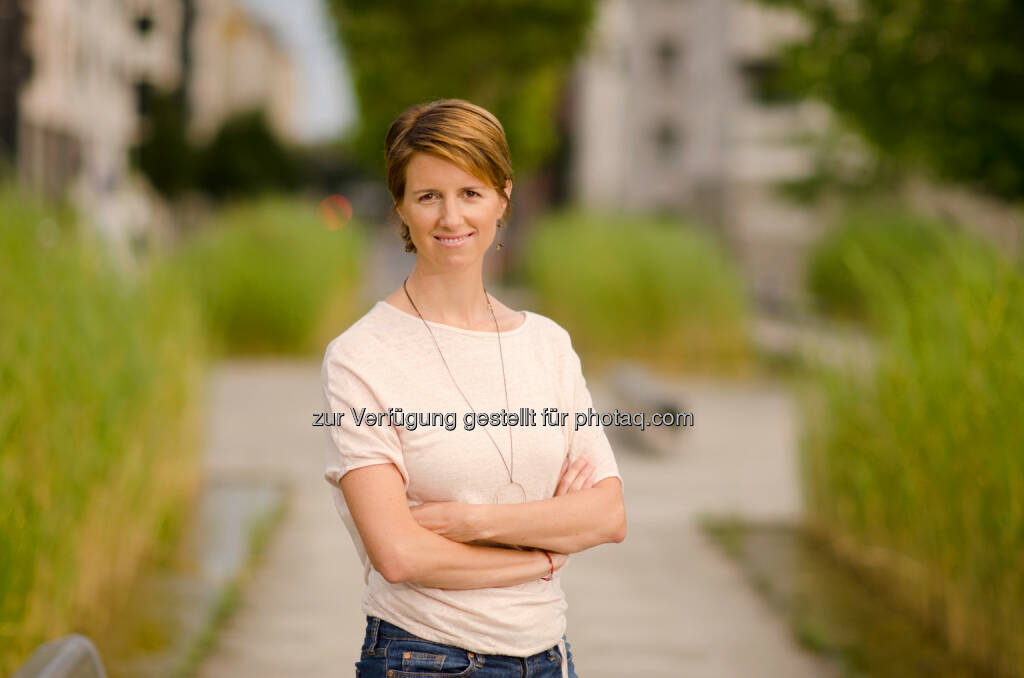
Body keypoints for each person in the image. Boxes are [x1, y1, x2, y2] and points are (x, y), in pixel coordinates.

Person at [321, 99, 626, 678]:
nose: (451, 218)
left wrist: (471, 523)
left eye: (471, 192)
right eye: (428, 196)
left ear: (503, 197)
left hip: (550, 656)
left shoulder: (548, 345)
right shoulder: (361, 356)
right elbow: (399, 553)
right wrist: (544, 552)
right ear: (401, 209)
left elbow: (607, 515)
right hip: (425, 656)